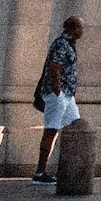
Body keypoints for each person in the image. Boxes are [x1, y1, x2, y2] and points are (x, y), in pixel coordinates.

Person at [34, 15, 83, 183]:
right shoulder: (61, 44)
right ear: (73, 28)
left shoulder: (68, 44)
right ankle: (40, 173)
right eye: (80, 27)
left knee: (76, 126)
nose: (82, 31)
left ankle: (71, 168)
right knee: (51, 130)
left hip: (68, 94)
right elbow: (54, 67)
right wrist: (57, 91)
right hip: (59, 94)